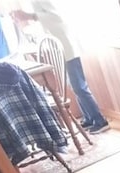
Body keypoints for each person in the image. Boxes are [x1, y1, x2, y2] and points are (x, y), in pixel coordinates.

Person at [11, 0, 110, 134]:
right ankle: (89, 117)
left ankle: (99, 120)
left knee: (79, 86)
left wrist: (30, 16)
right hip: (62, 47)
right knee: (74, 86)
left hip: (67, 46)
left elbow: (56, 16)